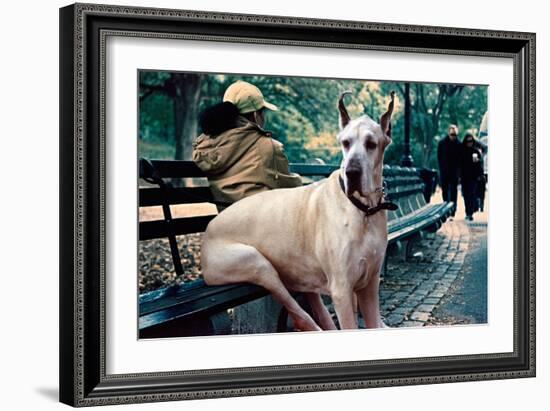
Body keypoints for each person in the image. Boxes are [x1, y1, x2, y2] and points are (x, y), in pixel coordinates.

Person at [192, 80, 302, 207]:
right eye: (263, 112)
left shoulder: (207, 146)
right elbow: (291, 188)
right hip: (258, 221)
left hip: (225, 220)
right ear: (256, 115)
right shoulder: (268, 147)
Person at [437, 124, 462, 216]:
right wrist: (441, 169)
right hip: (444, 170)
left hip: (454, 171)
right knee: (445, 189)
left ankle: (453, 209)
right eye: (452, 135)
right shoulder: (442, 143)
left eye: (455, 135)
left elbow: (461, 160)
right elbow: (439, 157)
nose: (453, 137)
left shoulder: (459, 144)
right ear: (448, 133)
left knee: (453, 190)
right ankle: (445, 207)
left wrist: (459, 173)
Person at [460, 133, 484, 221]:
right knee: (466, 195)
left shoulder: (475, 152)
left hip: (473, 177)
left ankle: (470, 212)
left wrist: (477, 162)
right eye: (467, 141)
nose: (469, 143)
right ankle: (468, 212)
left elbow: (479, 165)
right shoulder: (462, 151)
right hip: (464, 176)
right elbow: (459, 164)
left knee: (472, 194)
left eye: (471, 141)